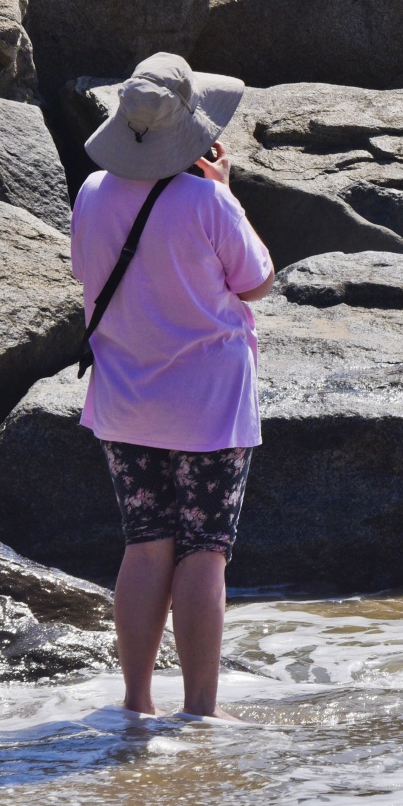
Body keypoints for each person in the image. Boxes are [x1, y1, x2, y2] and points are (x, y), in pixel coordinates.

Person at [72, 53, 274, 720]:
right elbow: (256, 280)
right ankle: (202, 708)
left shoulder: (93, 192)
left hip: (126, 397)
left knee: (145, 541)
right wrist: (226, 188)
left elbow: (89, 274)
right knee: (203, 550)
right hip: (209, 405)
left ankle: (136, 701)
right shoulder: (208, 199)